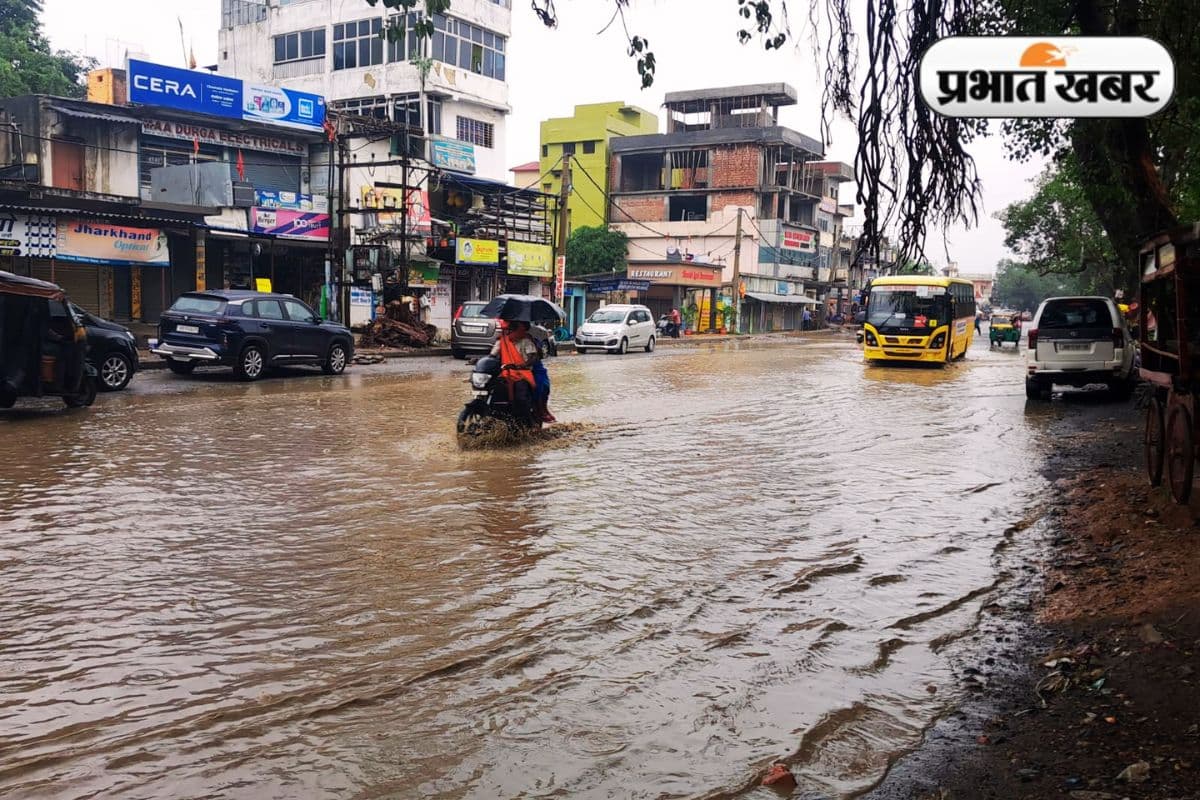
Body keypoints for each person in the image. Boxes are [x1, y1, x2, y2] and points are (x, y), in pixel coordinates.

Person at [490, 320, 540, 423]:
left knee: (521, 398)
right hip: (504, 373)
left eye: (511, 330)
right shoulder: (502, 341)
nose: (508, 333)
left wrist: (521, 365)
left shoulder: (526, 341)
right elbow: (492, 356)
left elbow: (533, 357)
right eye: (507, 330)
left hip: (522, 374)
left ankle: (526, 421)